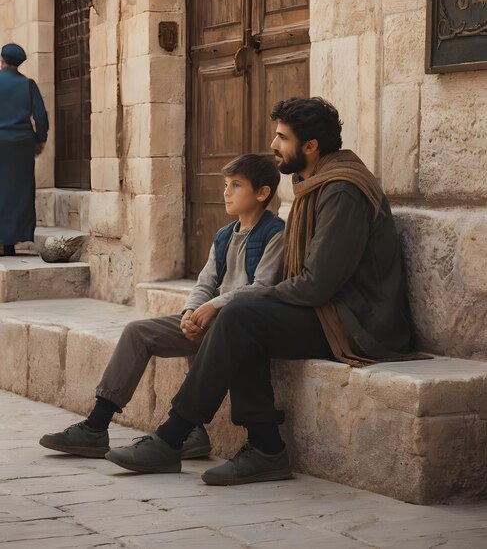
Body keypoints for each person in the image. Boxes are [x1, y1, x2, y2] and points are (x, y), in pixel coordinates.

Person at [68, 96, 414, 486]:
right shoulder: (317, 184)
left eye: (282, 137)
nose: (273, 144)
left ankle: (174, 436)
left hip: (358, 325)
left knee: (241, 315)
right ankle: (264, 447)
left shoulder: (341, 191)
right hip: (332, 313)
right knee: (244, 318)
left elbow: (316, 284)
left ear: (311, 146)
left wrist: (234, 303)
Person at [40, 153, 285, 464]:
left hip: (236, 324)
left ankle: (192, 429)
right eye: (225, 185)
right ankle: (95, 426)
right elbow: (205, 282)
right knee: (137, 332)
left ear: (262, 193)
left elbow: (263, 287)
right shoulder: (225, 235)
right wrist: (189, 313)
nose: (226, 192)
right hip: (207, 317)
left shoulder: (274, 232)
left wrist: (213, 306)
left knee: (209, 334)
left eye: (236, 185)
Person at [0, 43, 49, 257]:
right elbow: (41, 117)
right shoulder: (29, 85)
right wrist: (40, 140)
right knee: (19, 191)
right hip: (21, 145)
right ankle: (10, 242)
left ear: (2, 60)